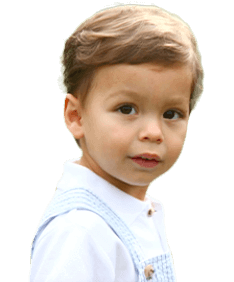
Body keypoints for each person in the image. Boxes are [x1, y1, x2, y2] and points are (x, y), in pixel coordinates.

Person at [29, 4, 204, 281]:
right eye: (126, 109)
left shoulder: (140, 210)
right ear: (76, 116)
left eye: (171, 114)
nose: (153, 132)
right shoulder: (80, 230)